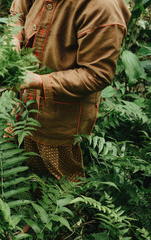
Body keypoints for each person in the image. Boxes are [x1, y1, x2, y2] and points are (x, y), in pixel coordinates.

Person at [9, 0, 131, 182]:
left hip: (60, 119)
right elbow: (19, 8)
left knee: (62, 184)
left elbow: (97, 74)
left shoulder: (104, 7)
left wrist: (38, 81)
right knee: (16, 163)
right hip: (23, 104)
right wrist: (14, 36)